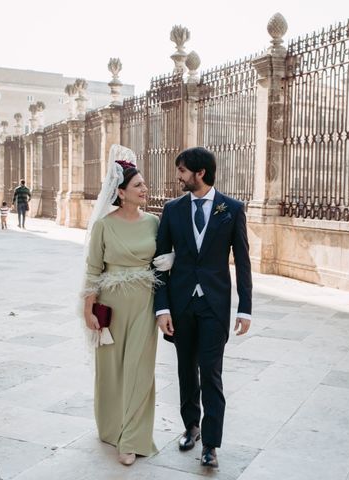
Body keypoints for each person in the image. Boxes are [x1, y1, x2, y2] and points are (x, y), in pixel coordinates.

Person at [154, 147, 253, 469]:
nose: (178, 176)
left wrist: (245, 308)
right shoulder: (172, 210)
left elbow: (243, 262)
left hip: (214, 304)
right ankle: (190, 427)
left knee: (211, 373)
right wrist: (162, 308)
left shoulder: (232, 209)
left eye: (182, 170)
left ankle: (211, 443)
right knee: (185, 370)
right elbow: (158, 263)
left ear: (200, 173)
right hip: (181, 304)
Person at [80, 145, 171, 467]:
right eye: (138, 186)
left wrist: (169, 262)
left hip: (145, 302)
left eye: (144, 185)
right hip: (111, 305)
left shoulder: (155, 223)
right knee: (111, 370)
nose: (145, 189)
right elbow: (93, 269)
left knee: (140, 370)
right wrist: (89, 309)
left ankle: (132, 439)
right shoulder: (104, 225)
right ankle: (111, 427)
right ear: (120, 192)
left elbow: (165, 264)